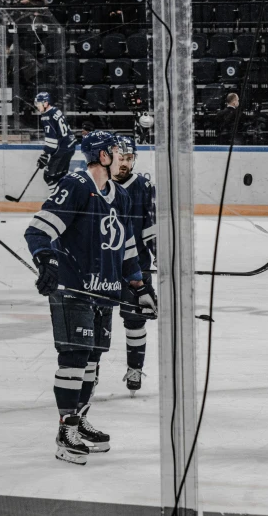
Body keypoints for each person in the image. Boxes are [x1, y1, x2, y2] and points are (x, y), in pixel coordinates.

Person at [24, 130, 157, 465]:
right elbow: (39, 230)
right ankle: (65, 431)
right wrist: (47, 260)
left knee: (92, 362)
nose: (122, 158)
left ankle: (79, 418)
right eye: (116, 151)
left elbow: (126, 248)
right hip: (74, 288)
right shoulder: (76, 184)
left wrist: (140, 287)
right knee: (74, 357)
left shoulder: (121, 197)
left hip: (106, 290)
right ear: (102, 156)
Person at [113, 135, 157, 396]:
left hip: (137, 265)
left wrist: (160, 257)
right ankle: (90, 371)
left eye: (129, 159)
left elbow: (150, 224)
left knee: (135, 319)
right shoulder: (99, 183)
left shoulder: (142, 185)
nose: (125, 164)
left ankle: (134, 368)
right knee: (98, 321)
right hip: (105, 265)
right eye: (122, 158)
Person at [34, 92, 77, 194]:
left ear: (46, 103)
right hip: (70, 146)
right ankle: (66, 199)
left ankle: (55, 201)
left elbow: (52, 143)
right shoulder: (56, 110)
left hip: (62, 149)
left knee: (49, 176)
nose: (37, 106)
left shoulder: (46, 117)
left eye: (38, 104)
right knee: (61, 176)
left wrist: (44, 155)